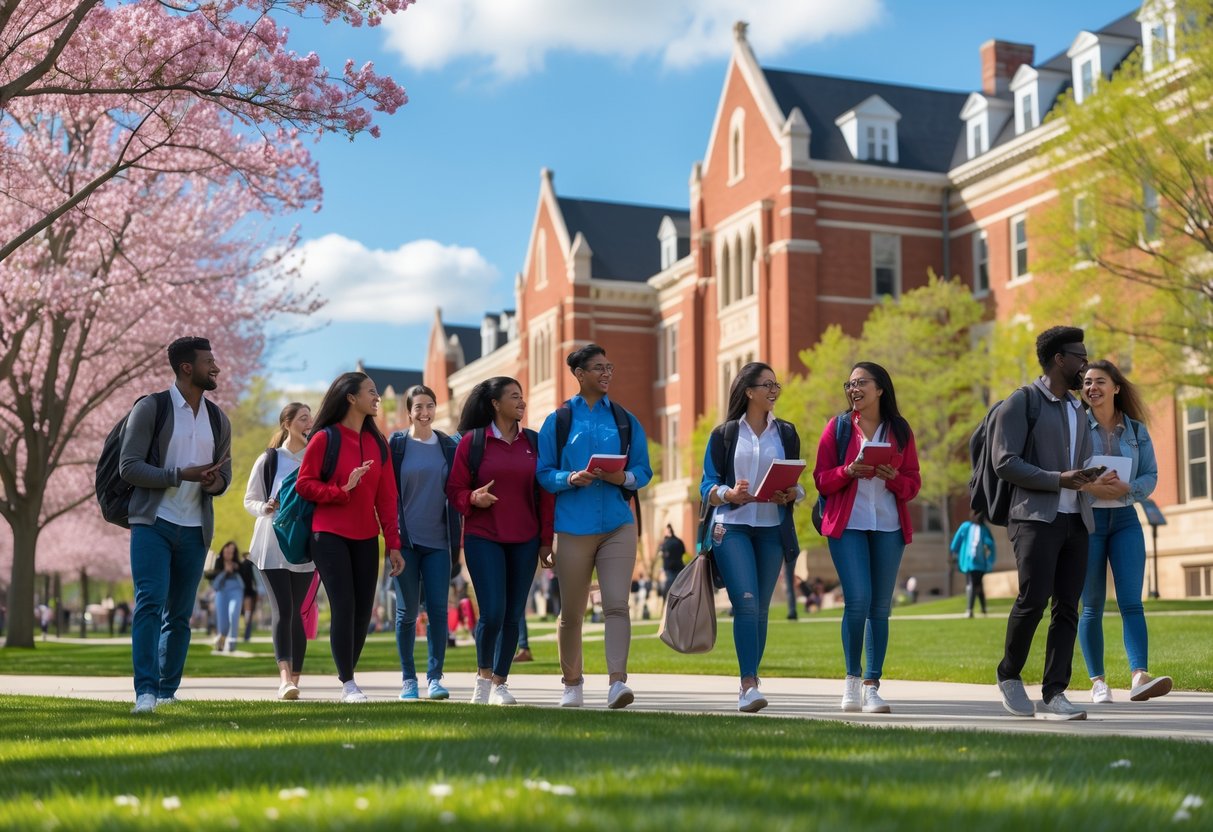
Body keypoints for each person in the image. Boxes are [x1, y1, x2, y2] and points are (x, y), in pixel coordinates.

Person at [120, 336, 232, 714]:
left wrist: (213, 481)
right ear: (187, 368)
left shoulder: (218, 418)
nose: (215, 368)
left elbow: (224, 476)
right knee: (149, 603)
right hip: (153, 522)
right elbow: (129, 466)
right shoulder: (152, 408)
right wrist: (179, 474)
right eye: (208, 362)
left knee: (180, 615)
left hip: (195, 528)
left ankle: (167, 691)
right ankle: (145, 692)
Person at [538, 345, 653, 709]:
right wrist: (570, 477)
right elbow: (542, 474)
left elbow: (644, 471)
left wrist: (625, 476)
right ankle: (572, 683)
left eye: (609, 367)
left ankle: (617, 682)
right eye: (598, 368)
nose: (606, 374)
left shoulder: (624, 419)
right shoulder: (558, 421)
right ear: (580, 374)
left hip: (618, 525)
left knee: (617, 604)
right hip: (573, 527)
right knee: (572, 612)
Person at [992, 326, 1098, 721]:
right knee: (1034, 599)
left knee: (1068, 606)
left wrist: (1092, 477)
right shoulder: (1022, 402)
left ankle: (1055, 693)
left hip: (1077, 517)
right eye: (1080, 357)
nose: (1084, 365)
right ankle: (1009, 674)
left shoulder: (1077, 409)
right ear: (1059, 359)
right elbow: (1005, 462)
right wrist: (1059, 479)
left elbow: (1080, 463)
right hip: (1035, 518)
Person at [814, 361, 921, 715]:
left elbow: (913, 484)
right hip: (849, 526)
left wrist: (891, 476)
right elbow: (821, 479)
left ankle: (872, 686)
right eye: (850, 383)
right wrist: (848, 471)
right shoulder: (839, 428)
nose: (854, 389)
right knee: (857, 599)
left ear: (880, 389)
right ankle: (851, 679)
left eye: (861, 382)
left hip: (888, 525)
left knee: (880, 607)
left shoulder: (900, 430)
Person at [700, 362, 805, 713]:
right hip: (731, 526)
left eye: (777, 385)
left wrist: (794, 493)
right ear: (749, 391)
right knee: (745, 602)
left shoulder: (786, 433)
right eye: (767, 385)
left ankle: (752, 679)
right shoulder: (725, 434)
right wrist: (728, 493)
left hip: (771, 527)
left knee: (760, 608)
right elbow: (706, 486)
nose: (774, 391)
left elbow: (796, 480)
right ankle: (747, 685)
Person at [295, 372, 404, 703]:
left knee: (362, 612)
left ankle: (348, 676)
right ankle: (348, 682)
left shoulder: (378, 444)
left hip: (366, 537)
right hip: (328, 534)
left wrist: (394, 545)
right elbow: (304, 483)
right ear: (350, 398)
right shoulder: (324, 438)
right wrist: (341, 491)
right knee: (343, 606)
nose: (377, 398)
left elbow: (387, 500)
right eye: (371, 392)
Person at [446, 377, 554, 705]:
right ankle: (482, 678)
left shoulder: (534, 442)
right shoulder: (473, 442)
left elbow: (546, 494)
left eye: (523, 396)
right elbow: (454, 490)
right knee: (492, 612)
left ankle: (500, 683)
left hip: (525, 539)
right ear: (495, 404)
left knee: (511, 614)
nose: (522, 402)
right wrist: (472, 499)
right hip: (483, 537)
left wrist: (546, 541)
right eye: (514, 397)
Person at [1078, 360, 1172, 703]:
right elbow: (1064, 471)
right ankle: (1098, 683)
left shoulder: (1136, 431)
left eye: (1099, 381)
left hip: (1125, 521)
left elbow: (1151, 476)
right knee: (1091, 606)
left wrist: (1126, 489)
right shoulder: (1075, 426)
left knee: (1132, 602)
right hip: (1088, 523)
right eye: (1087, 382)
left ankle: (1139, 677)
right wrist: (1091, 487)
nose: (1092, 388)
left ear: (1116, 387)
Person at [388, 384, 462, 702]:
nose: (424, 412)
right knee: (406, 614)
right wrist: (391, 540)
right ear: (409, 411)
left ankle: (434, 678)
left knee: (437, 612)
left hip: (439, 542)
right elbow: (387, 493)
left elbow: (457, 490)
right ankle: (408, 680)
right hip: (404, 542)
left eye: (429, 405)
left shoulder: (447, 445)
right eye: (418, 407)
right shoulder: (397, 444)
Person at [244, 401, 316, 700]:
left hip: (302, 546)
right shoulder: (270, 459)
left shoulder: (316, 460)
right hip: (270, 544)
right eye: (302, 419)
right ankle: (284, 678)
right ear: (287, 423)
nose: (308, 423)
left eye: (311, 419)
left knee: (297, 613)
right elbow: (250, 500)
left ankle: (295, 680)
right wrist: (266, 507)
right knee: (283, 609)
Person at [950, 511, 996, 618]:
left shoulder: (981, 529)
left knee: (974, 583)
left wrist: (989, 560)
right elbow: (956, 542)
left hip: (976, 563)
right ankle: (980, 609)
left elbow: (991, 546)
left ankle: (971, 609)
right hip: (972, 562)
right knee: (976, 584)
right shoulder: (968, 527)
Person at [205, 541, 246, 654]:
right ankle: (221, 641)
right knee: (223, 622)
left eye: (231, 552)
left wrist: (237, 569)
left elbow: (247, 580)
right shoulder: (217, 564)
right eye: (227, 551)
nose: (229, 554)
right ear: (223, 552)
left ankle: (231, 643)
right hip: (221, 593)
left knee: (233, 614)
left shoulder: (239, 566)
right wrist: (224, 572)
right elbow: (212, 582)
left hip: (236, 591)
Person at [658, 524, 687, 600]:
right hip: (679, 567)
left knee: (670, 585)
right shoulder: (679, 541)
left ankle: (666, 601)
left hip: (670, 568)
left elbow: (663, 555)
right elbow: (683, 552)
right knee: (679, 586)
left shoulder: (665, 543)